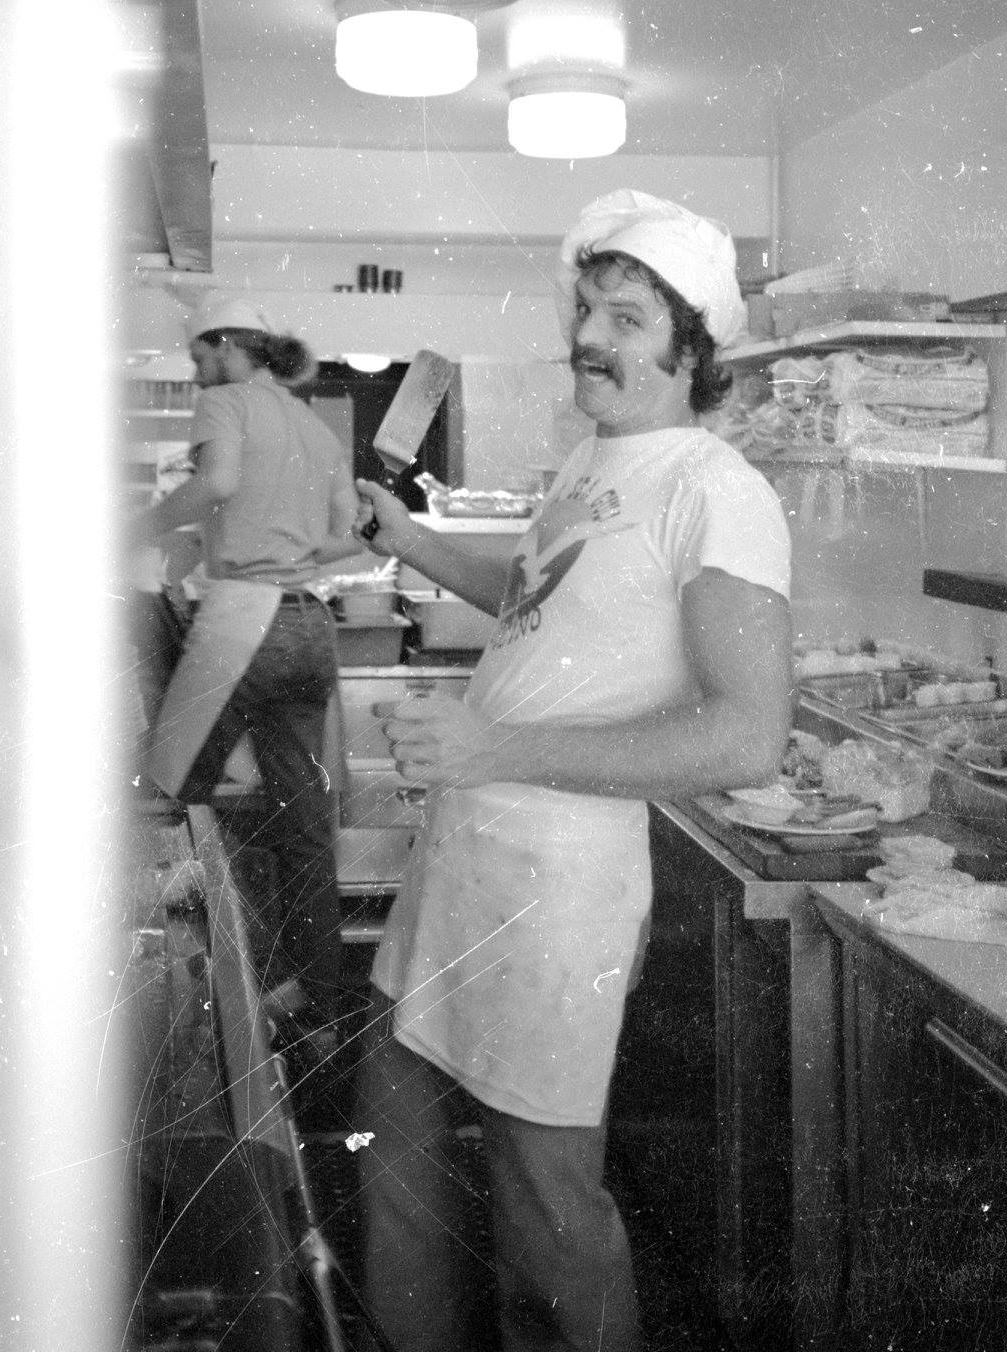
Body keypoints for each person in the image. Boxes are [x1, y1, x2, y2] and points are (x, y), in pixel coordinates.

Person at [351, 191, 793, 1352]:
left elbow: (747, 735)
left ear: (692, 348)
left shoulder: (716, 489)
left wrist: (494, 747)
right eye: (586, 308)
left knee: (547, 1208)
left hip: (557, 892)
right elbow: (533, 603)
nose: (587, 335)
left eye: (626, 319)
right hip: (464, 863)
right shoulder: (593, 459)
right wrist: (411, 541)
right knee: (394, 1152)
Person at [128, 294, 362, 1045]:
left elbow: (219, 483)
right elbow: (348, 534)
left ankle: (166, 995)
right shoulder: (313, 423)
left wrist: (129, 528)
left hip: (242, 622)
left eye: (200, 356)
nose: (196, 371)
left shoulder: (226, 402)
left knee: (164, 796)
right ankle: (318, 1005)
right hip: (308, 625)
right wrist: (276, 549)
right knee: (304, 828)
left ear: (229, 346)